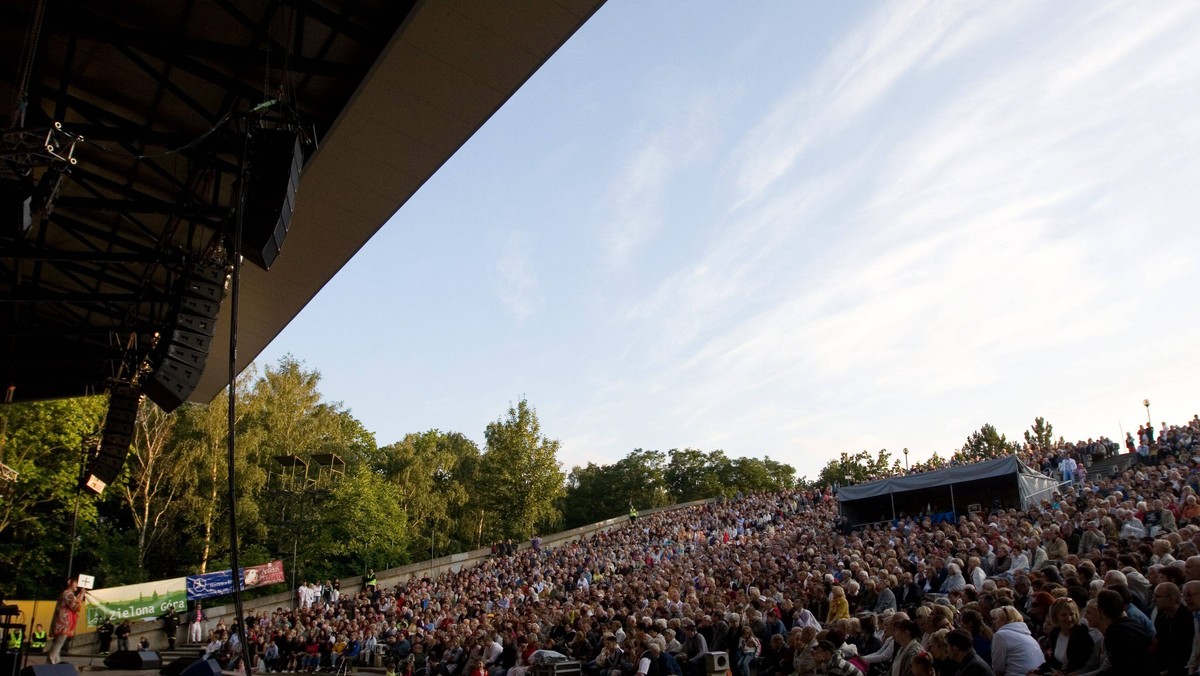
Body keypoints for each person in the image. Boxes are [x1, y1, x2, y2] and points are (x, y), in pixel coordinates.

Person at [1036, 598, 1093, 674]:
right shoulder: (1055, 632)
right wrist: (1039, 670)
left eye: (1071, 614)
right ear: (1055, 617)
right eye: (1064, 615)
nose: (1069, 618)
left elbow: (1080, 666)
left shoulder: (1082, 636)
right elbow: (1054, 660)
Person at [988, 606, 1040, 676]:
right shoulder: (1028, 635)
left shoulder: (1000, 635)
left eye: (996, 619)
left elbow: (998, 668)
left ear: (1005, 620)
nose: (994, 622)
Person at [47, 577, 84, 664]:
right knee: (58, 644)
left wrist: (80, 595)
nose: (77, 585)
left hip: (62, 622)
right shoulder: (68, 594)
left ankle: (54, 662)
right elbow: (75, 607)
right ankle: (51, 662)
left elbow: (74, 602)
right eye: (75, 583)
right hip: (63, 623)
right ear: (69, 583)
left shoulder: (68, 594)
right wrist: (81, 595)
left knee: (58, 644)